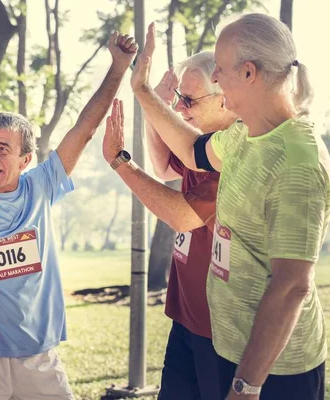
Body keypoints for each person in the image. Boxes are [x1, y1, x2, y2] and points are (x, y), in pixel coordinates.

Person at [0, 24, 137, 399]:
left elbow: (84, 129)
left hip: (37, 354)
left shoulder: (42, 185)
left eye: (3, 148)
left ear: (26, 159)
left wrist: (118, 68)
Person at [130, 15, 328, 400]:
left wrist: (246, 386)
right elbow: (190, 150)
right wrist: (142, 91)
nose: (216, 79)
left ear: (250, 73)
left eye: (220, 69)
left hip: (275, 372)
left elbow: (291, 287)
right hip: (226, 347)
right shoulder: (245, 133)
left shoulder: (297, 160)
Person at [103, 51, 236, 400]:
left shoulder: (236, 153)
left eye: (188, 100)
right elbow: (163, 166)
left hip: (220, 330)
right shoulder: (202, 146)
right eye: (178, 99)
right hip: (186, 318)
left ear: (225, 98)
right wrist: (155, 107)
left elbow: (181, 213)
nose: (179, 109)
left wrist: (120, 162)